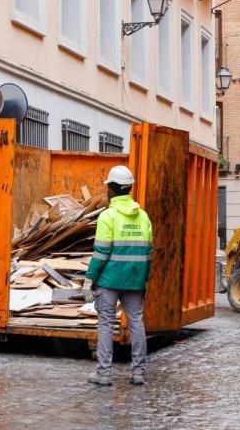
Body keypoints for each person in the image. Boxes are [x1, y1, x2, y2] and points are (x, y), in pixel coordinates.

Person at [84, 165, 153, 387]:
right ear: (130, 188)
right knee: (136, 323)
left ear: (112, 189)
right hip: (134, 280)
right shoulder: (143, 217)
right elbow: (149, 253)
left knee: (105, 324)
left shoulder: (108, 216)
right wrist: (145, 279)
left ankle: (104, 374)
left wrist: (89, 280)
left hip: (109, 280)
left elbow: (101, 253)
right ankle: (139, 373)